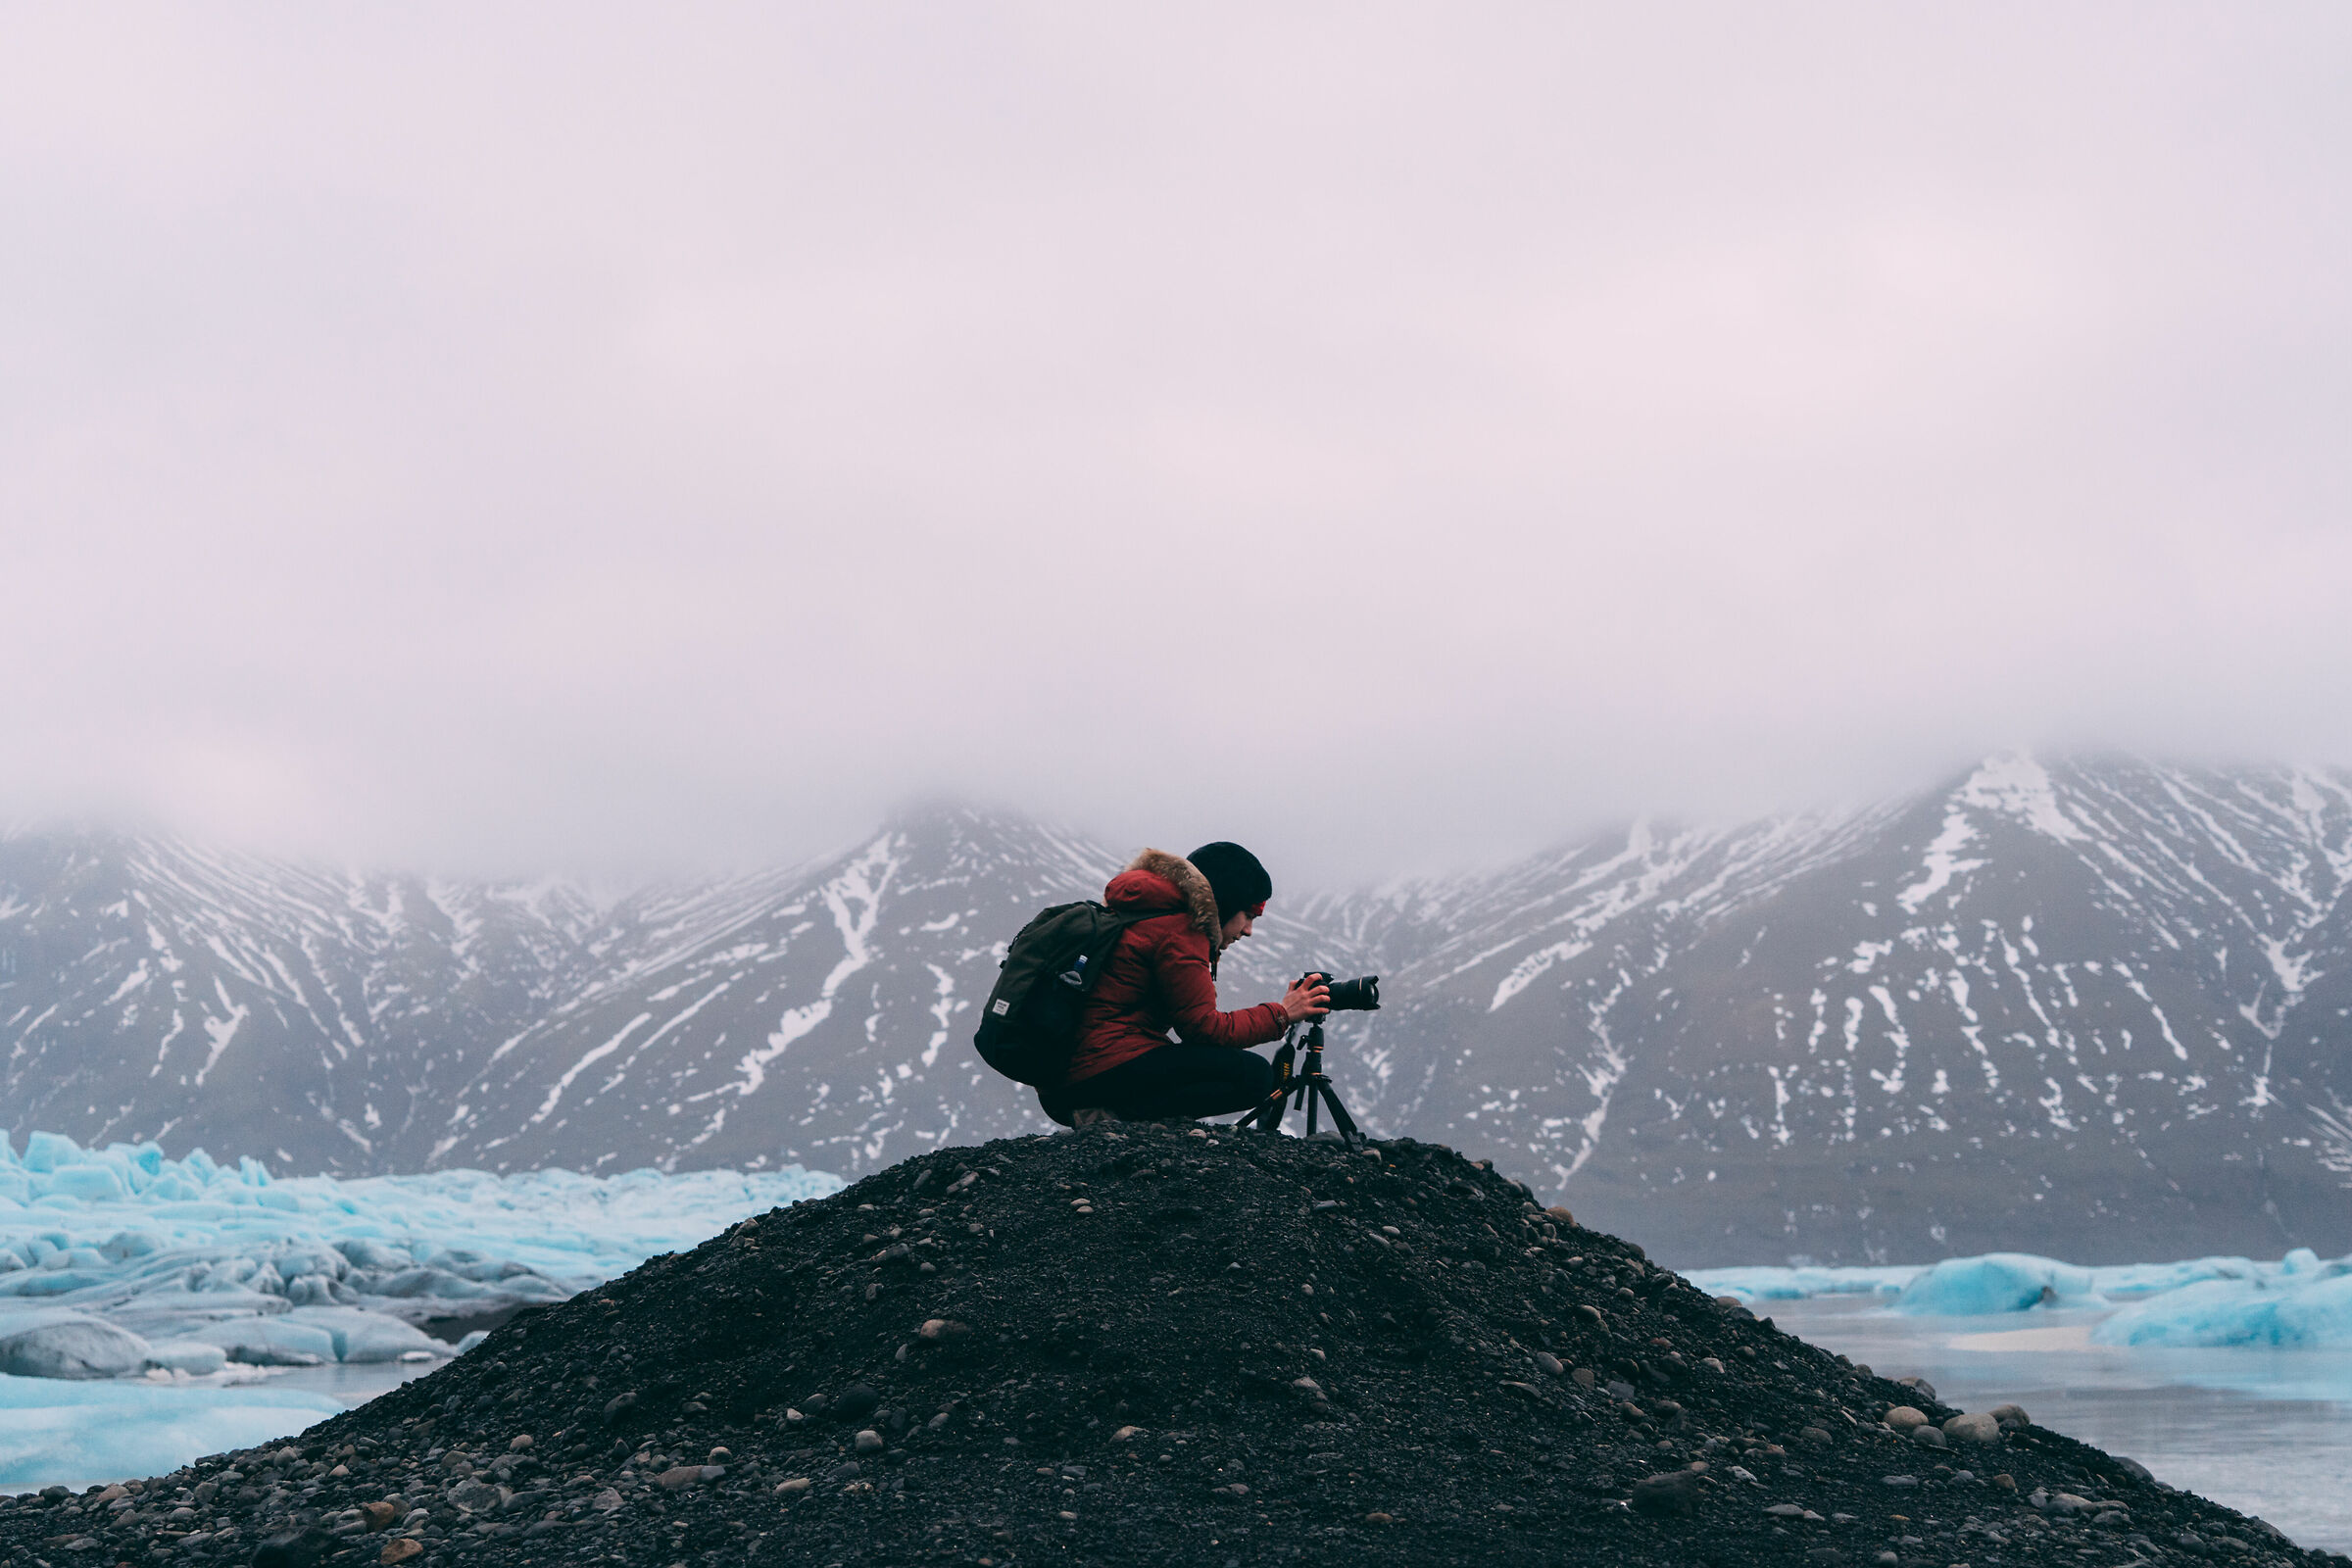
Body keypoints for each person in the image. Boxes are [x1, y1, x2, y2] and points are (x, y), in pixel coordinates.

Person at [1040, 842, 1331, 1128]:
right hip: (1091, 1076)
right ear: (1226, 904)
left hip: (1066, 1077)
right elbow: (1204, 1029)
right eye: (1249, 916)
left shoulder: (1150, 912)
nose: (1248, 931)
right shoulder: (1180, 930)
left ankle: (1118, 1113)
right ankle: (1112, 1116)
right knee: (1253, 1076)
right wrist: (1282, 1013)